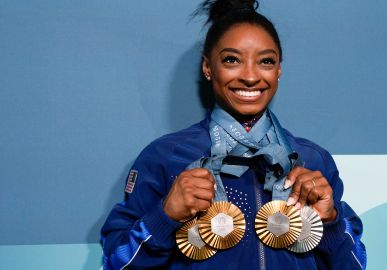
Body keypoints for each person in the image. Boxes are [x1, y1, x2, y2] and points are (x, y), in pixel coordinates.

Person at [101, 0, 366, 269]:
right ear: (208, 68)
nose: (250, 76)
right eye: (232, 60)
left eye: (265, 61)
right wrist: (164, 216)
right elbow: (116, 262)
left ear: (279, 70)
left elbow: (355, 264)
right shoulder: (165, 157)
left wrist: (331, 222)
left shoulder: (312, 160)